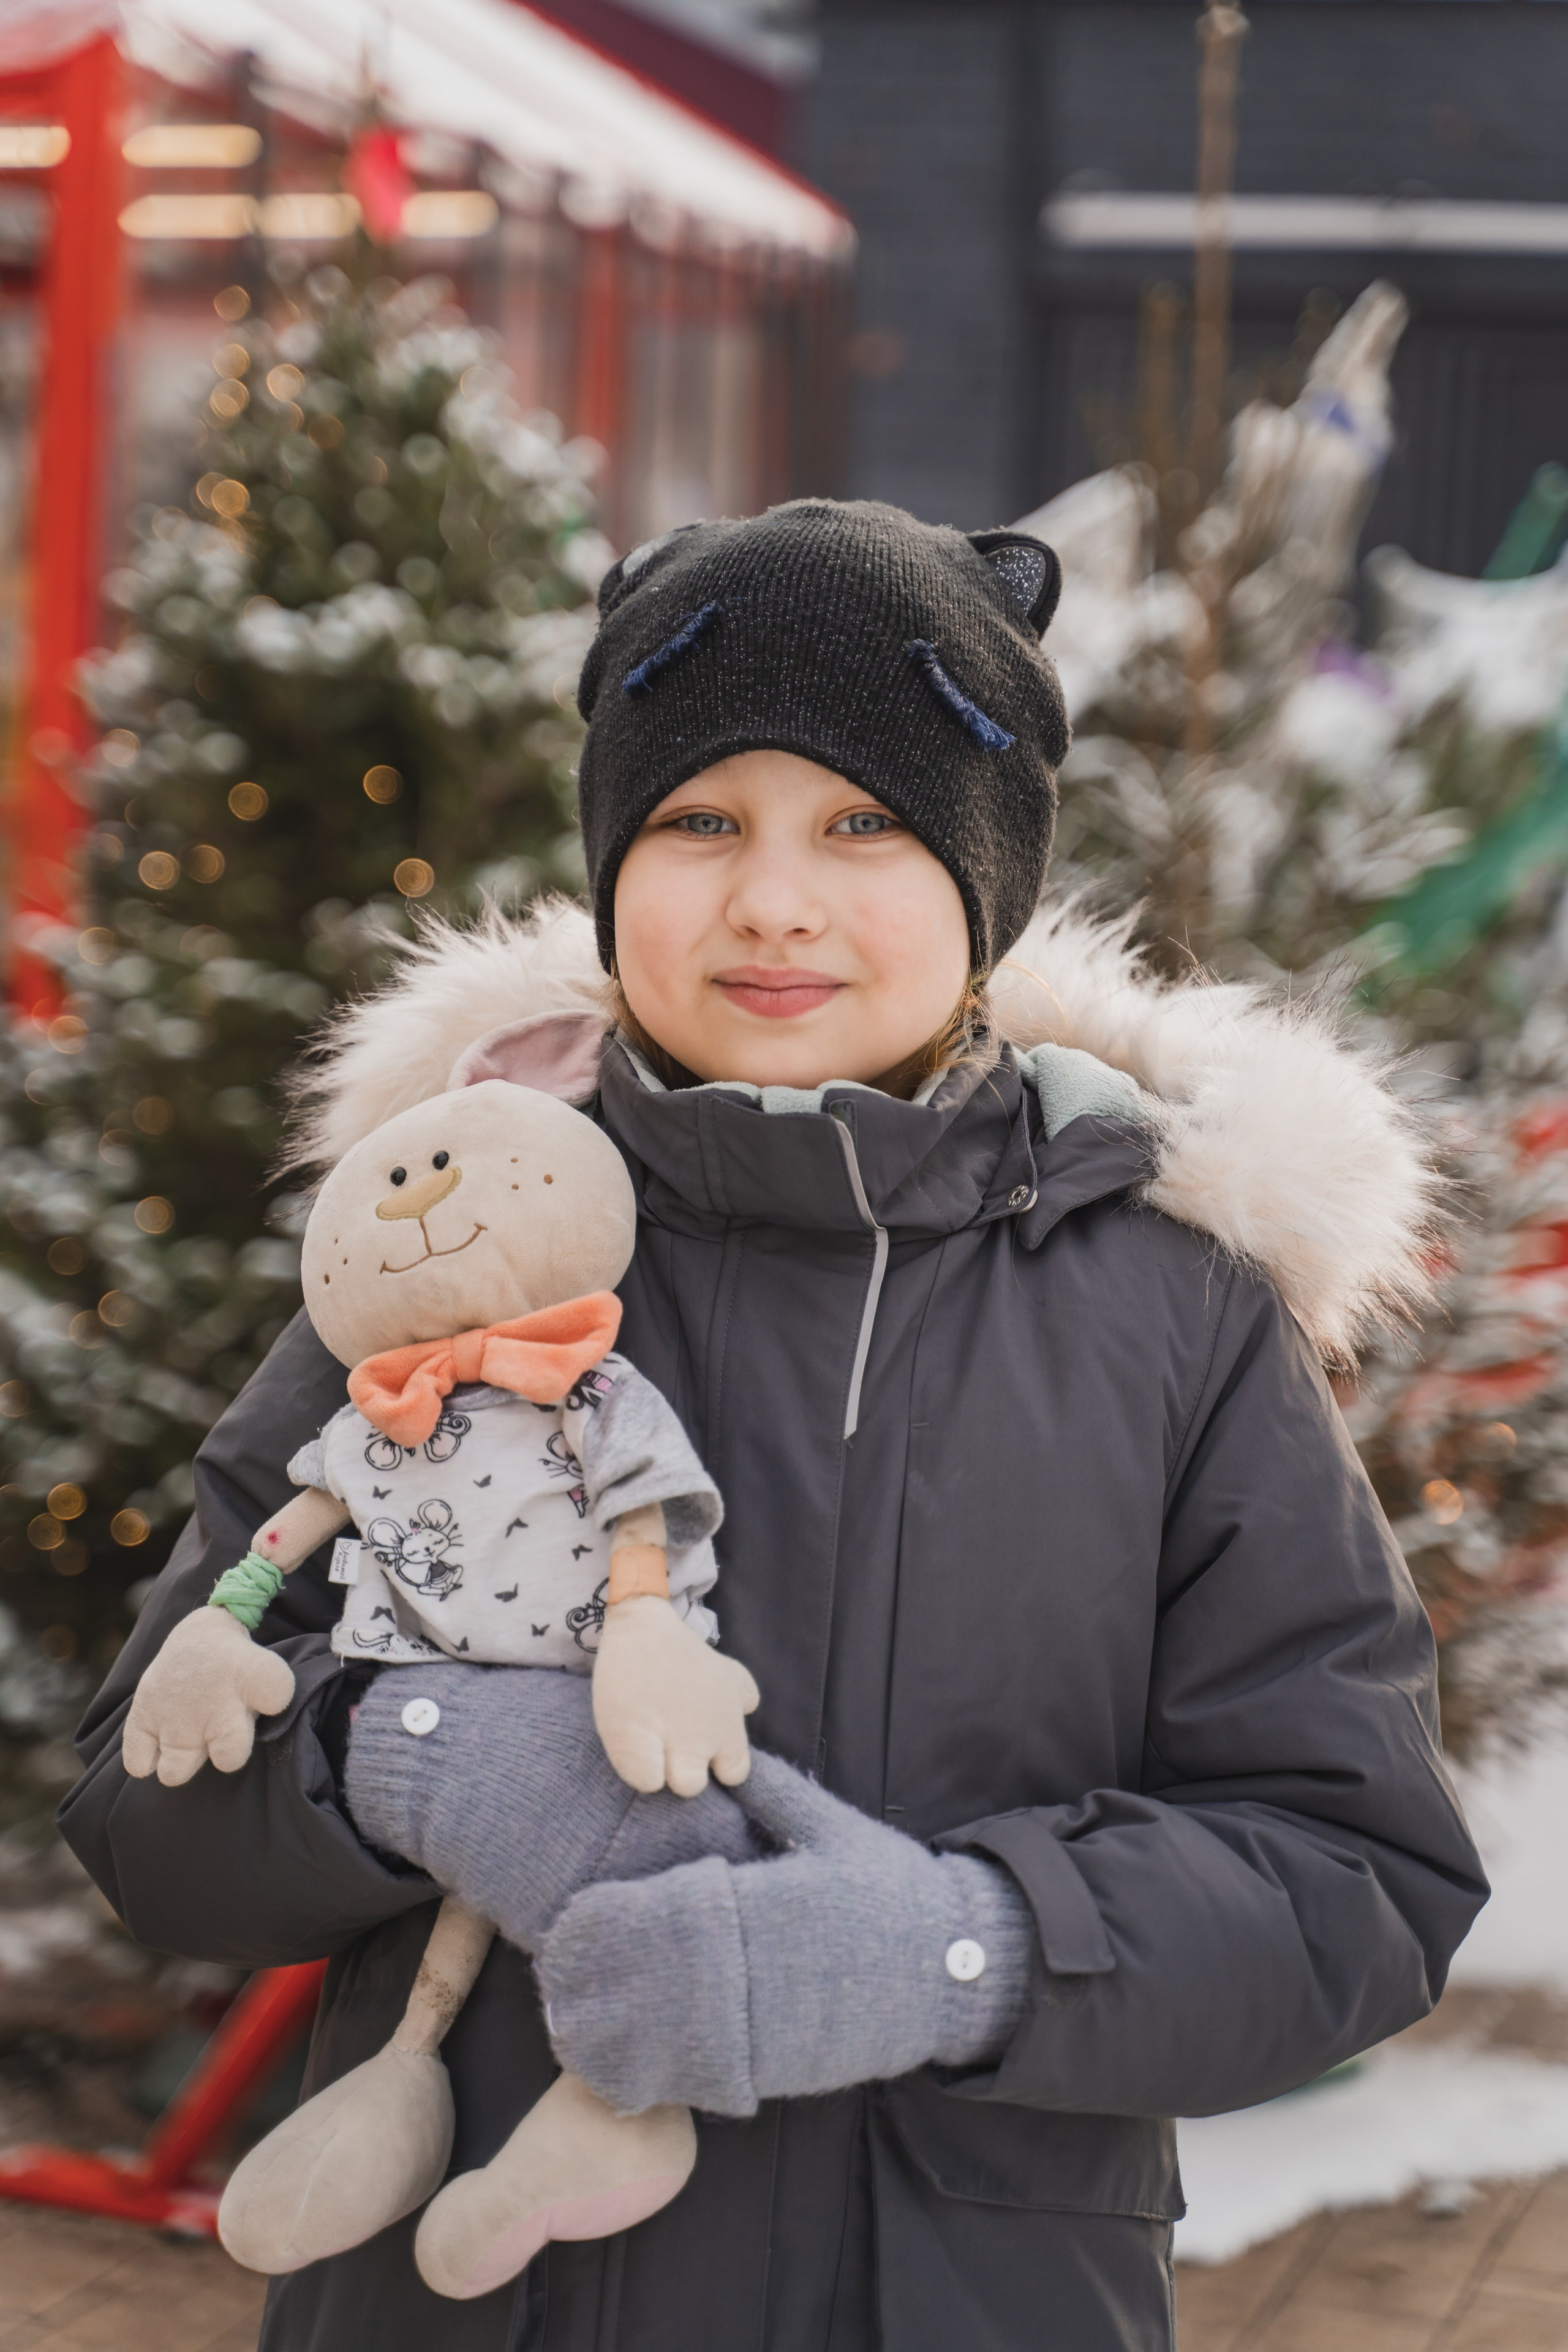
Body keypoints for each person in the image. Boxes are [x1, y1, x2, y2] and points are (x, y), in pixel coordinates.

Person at [61, 499, 1487, 2352]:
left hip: (966, 2296)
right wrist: (393, 1753)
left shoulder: (1171, 1309)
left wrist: (961, 1950)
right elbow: (145, 1808)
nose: (776, 902)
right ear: (611, 860)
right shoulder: (445, 1242)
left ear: (986, 879)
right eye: (701, 820)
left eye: (867, 824)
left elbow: (1352, 1875)